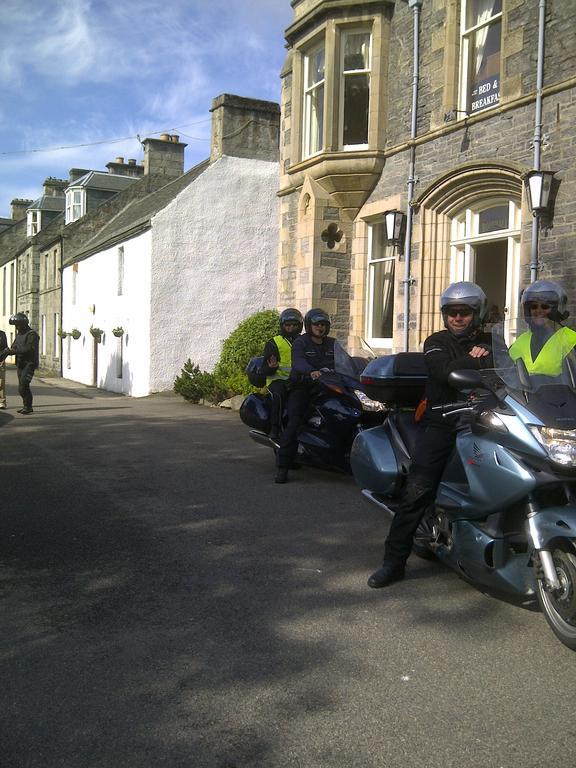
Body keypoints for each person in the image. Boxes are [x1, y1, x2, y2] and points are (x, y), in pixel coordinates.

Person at [368, 281, 494, 588]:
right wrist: (479, 359)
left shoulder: (493, 340)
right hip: (442, 422)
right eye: (451, 313)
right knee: (417, 491)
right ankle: (393, 562)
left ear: (476, 314)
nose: (457, 318)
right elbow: (444, 372)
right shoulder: (436, 341)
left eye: (464, 312)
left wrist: (491, 353)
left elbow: (512, 368)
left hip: (484, 420)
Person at [274, 308, 335, 484]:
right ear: (309, 325)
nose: (320, 327)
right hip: (302, 387)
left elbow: (344, 359)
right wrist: (311, 371)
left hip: (326, 388)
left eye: (323, 324)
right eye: (317, 324)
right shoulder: (301, 342)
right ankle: (283, 466)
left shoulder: (332, 343)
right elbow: (298, 361)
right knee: (294, 422)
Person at [508, 280, 576, 377]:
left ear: (556, 310)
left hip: (558, 392)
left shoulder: (572, 340)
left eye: (545, 306)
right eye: (533, 307)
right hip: (522, 392)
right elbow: (505, 370)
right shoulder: (520, 341)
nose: (538, 311)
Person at [260, 308, 304, 441]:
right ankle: (275, 428)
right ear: (282, 325)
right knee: (279, 395)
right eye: (288, 325)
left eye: (294, 325)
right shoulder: (274, 342)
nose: (291, 328)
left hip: (299, 380)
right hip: (278, 380)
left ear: (300, 326)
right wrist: (271, 367)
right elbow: (264, 369)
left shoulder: (304, 341)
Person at [4, 313, 40, 415]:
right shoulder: (19, 334)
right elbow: (14, 346)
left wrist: (14, 351)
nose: (16, 328)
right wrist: (7, 351)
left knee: (23, 385)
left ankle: (28, 407)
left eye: (18, 325)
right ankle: (27, 406)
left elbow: (28, 349)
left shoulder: (32, 335)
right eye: (15, 326)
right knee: (22, 387)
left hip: (29, 364)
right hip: (20, 364)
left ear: (23, 324)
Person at [0, 327, 8, 409]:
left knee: (1, 382)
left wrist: (3, 359)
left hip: (0, 360)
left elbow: (5, 348)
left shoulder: (2, 334)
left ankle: (2, 401)